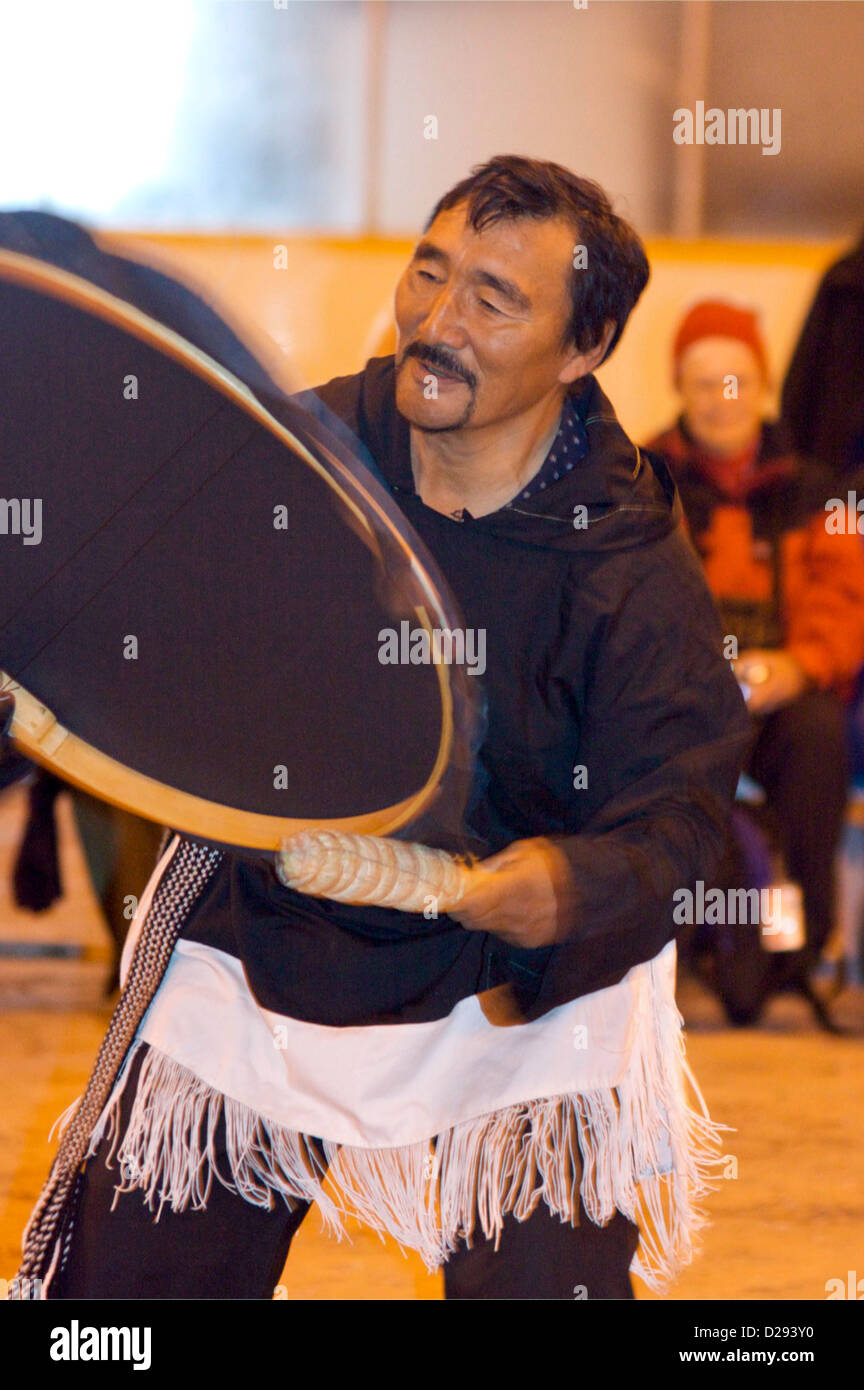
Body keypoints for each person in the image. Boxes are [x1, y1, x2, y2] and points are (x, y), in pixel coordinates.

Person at [14, 160, 749, 1301]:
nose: (436, 324)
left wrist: (568, 884)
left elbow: (685, 812)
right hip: (265, 935)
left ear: (582, 350)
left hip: (512, 994)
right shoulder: (295, 461)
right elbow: (118, 612)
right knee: (123, 1300)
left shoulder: (631, 563)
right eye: (429, 270)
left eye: (495, 299)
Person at [645, 299, 864, 976]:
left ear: (763, 384)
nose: (721, 399)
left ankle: (798, 950)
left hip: (781, 700)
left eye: (736, 379)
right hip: (679, 701)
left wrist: (801, 666)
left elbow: (848, 597)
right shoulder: (638, 481)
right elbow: (624, 606)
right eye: (703, 382)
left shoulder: (823, 491)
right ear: (679, 388)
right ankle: (660, 952)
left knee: (820, 734)